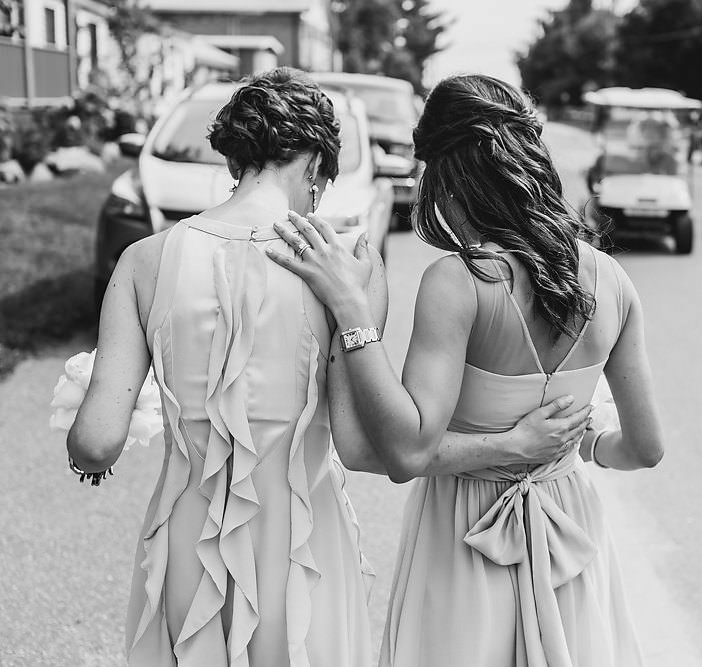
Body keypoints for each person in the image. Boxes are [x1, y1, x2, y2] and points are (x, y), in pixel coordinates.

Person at [66, 67, 590, 667]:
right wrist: (514, 444)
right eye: (323, 183)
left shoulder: (142, 262)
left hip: (187, 549)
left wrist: (93, 419)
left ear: (238, 159)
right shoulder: (346, 270)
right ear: (314, 165)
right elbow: (364, 449)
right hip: (304, 551)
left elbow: (96, 444)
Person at [268, 73, 665, 667]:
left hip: (465, 530)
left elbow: (405, 452)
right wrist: (576, 444)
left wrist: (352, 311)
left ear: (450, 173)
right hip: (572, 539)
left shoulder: (459, 282)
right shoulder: (612, 280)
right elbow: (645, 448)